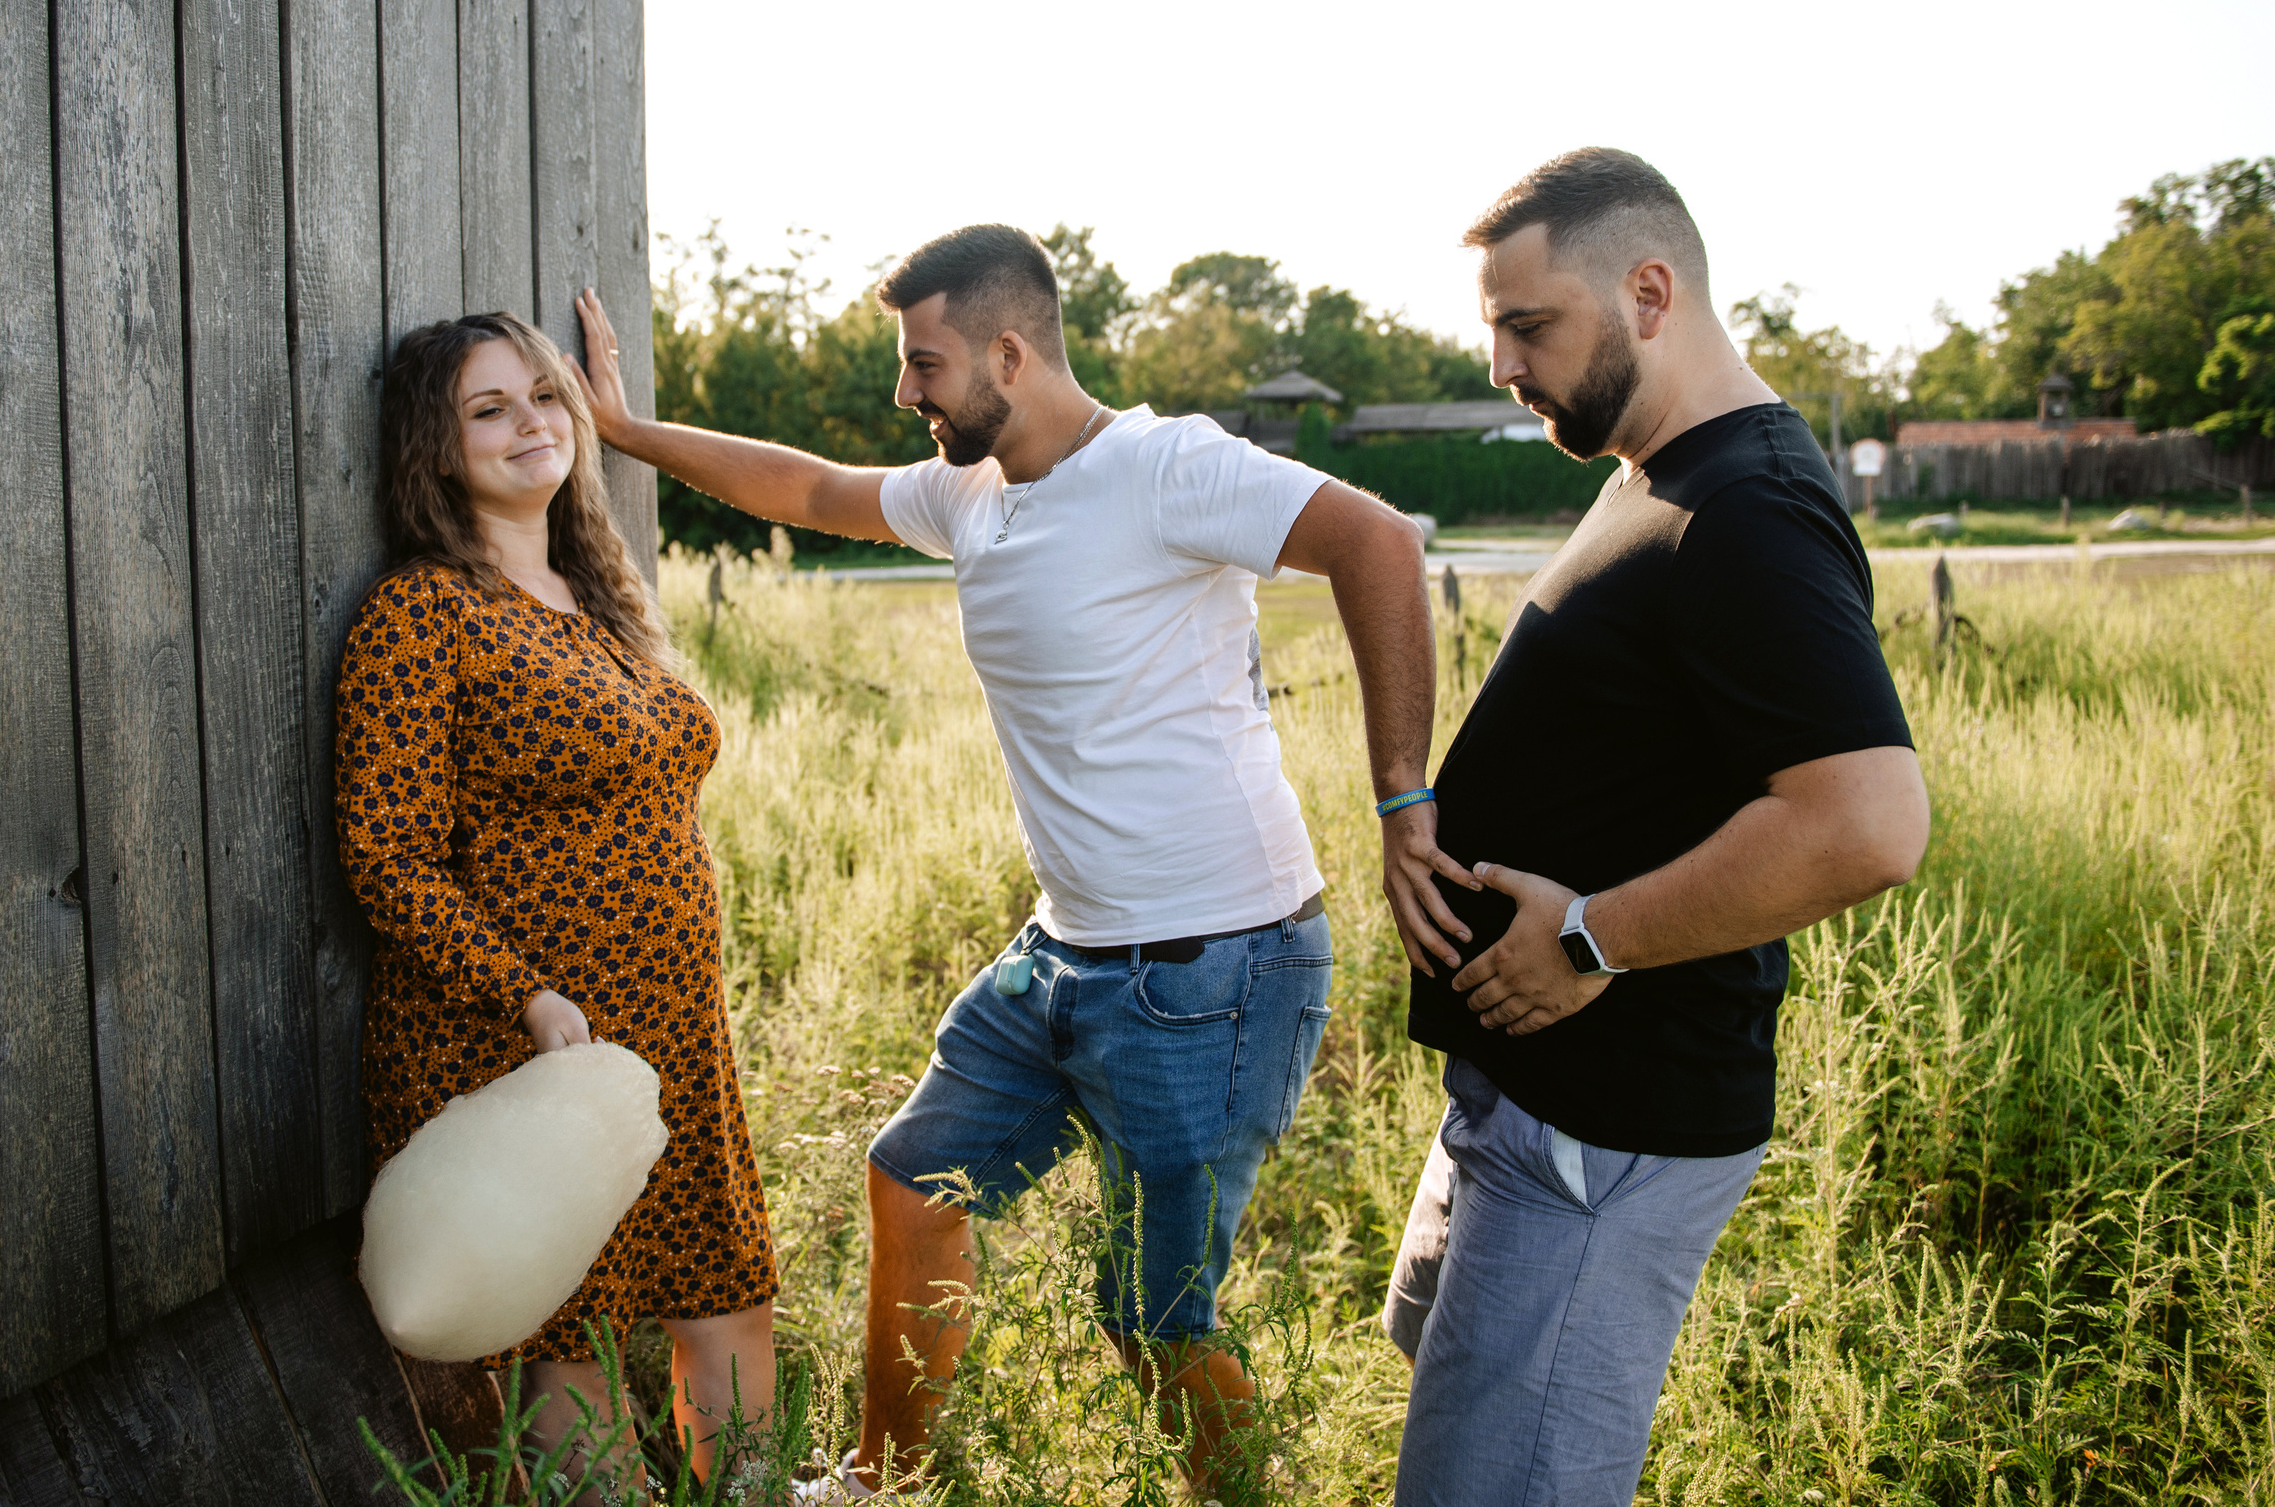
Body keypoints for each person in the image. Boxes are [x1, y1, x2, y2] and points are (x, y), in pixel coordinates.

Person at [566, 224, 1470, 1497]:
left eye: (922, 364)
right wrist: (626, 433)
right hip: (1064, 954)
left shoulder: (1167, 465)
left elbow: (1375, 541)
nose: (903, 393)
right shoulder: (970, 492)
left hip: (1215, 965)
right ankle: (885, 1479)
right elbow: (811, 488)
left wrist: (1400, 798)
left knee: (1158, 1322)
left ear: (1007, 350)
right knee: (910, 1180)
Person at [1388, 149, 1931, 1506]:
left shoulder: (1750, 508)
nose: (1504, 365)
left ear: (1648, 290)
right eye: (1493, 330)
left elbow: (1868, 822)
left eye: (1529, 327)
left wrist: (1585, 938)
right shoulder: (1656, 465)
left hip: (1603, 1133)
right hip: (1529, 1108)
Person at [336, 311, 778, 1489]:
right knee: (570, 1335)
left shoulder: (595, 591)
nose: (532, 423)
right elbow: (388, 857)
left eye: (543, 395)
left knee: (725, 1291)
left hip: (671, 1024)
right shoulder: (420, 614)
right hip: (533, 1038)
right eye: (490, 408)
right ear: (435, 447)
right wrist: (524, 992)